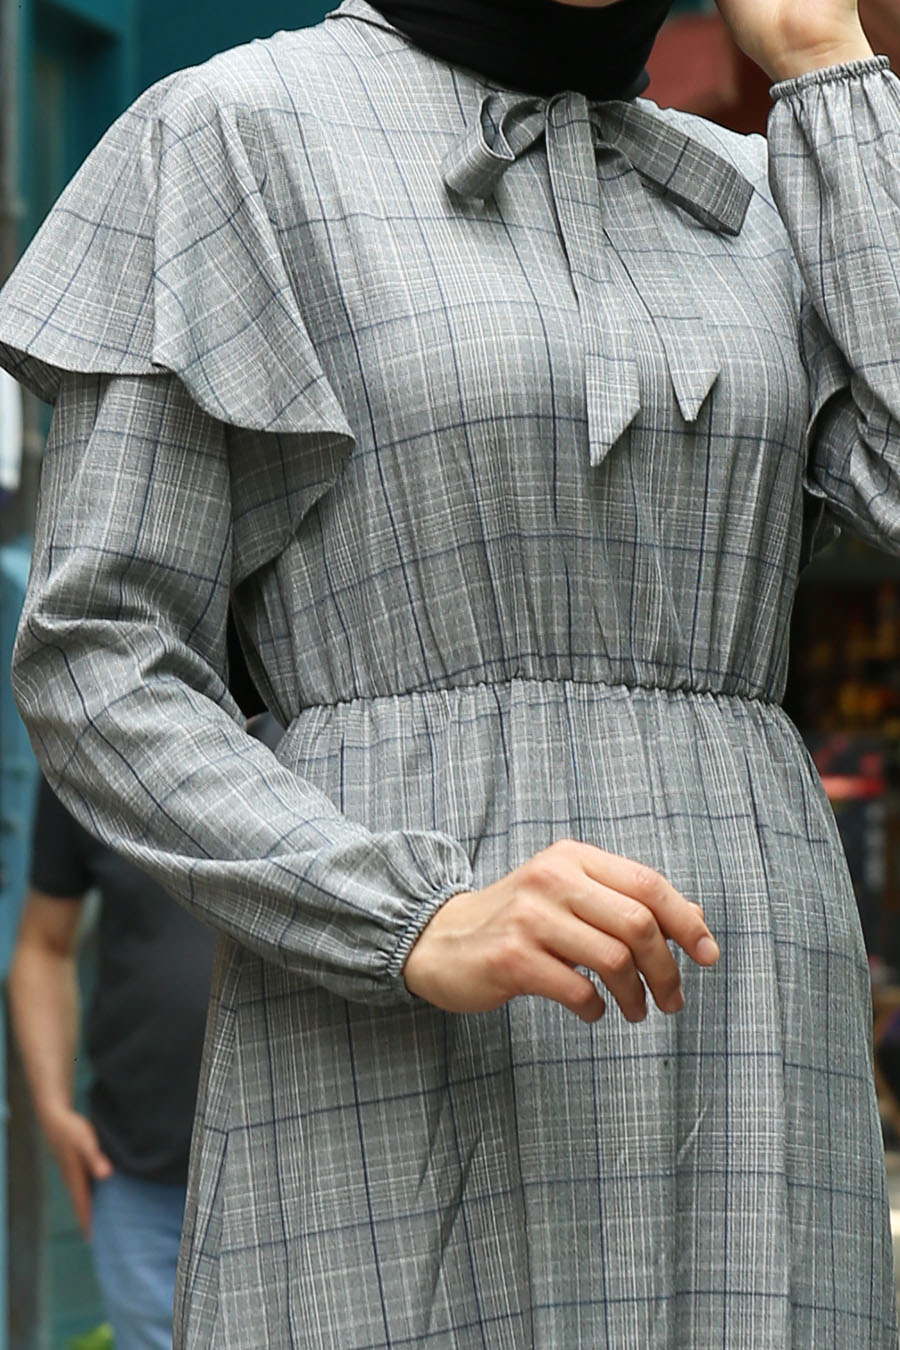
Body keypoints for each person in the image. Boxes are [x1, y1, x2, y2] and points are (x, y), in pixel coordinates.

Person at [0, 0, 897, 1343]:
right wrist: (403, 914)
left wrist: (833, 67)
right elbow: (100, 655)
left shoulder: (770, 186)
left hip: (749, 1009)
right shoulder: (242, 134)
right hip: (389, 1013)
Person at [10, 773, 215, 1350]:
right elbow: (43, 946)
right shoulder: (93, 750)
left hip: (296, 1169)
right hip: (136, 1179)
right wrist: (53, 1108)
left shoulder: (318, 730)